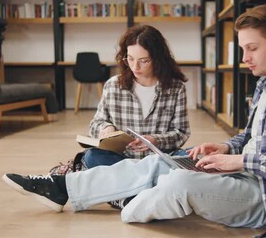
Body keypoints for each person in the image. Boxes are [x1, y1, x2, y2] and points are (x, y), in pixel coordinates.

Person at [2, 5, 266, 238]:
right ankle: (62, 188)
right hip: (246, 174)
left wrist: (237, 158)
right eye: (242, 49)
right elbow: (250, 137)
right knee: (166, 165)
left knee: (175, 181)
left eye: (251, 48)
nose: (244, 58)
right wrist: (226, 146)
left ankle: (128, 200)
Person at [80, 25, 190, 168]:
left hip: (157, 159)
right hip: (121, 159)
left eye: (143, 61)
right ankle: (148, 181)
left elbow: (181, 132)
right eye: (130, 59)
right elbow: (95, 124)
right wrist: (106, 128)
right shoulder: (113, 85)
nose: (135, 67)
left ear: (158, 59)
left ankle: (131, 182)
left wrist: (156, 140)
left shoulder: (176, 88)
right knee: (93, 156)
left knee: (190, 156)